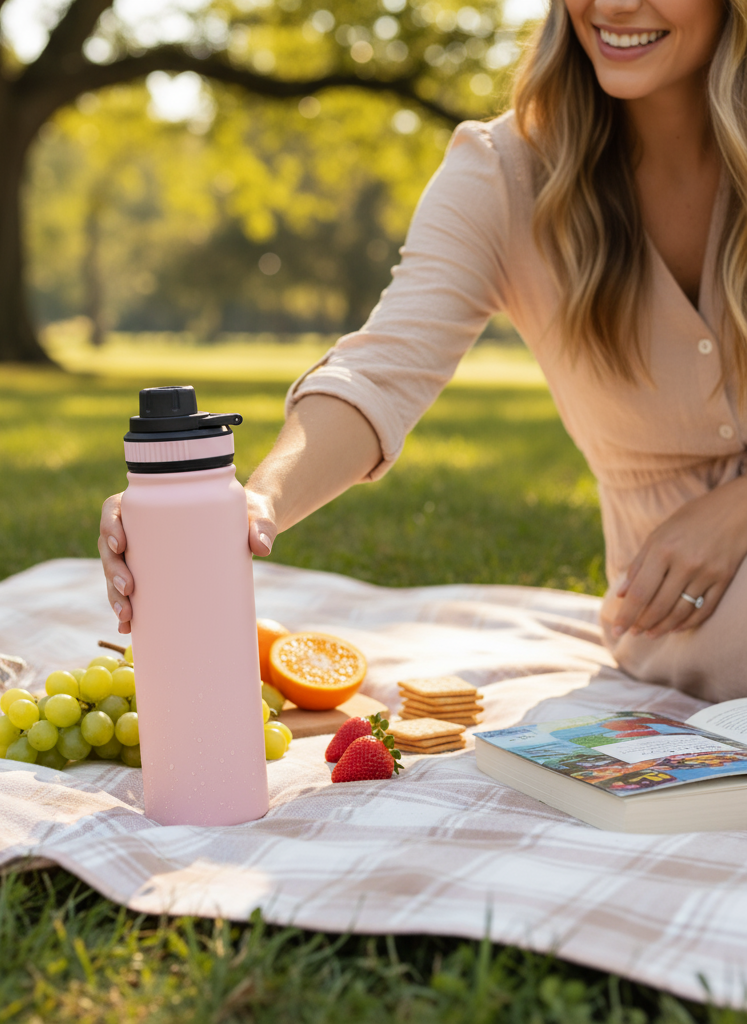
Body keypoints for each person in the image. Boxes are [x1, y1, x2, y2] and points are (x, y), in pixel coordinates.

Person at [100, 0, 747, 703]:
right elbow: (381, 371)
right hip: (679, 604)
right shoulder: (504, 174)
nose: (617, 5)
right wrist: (255, 503)